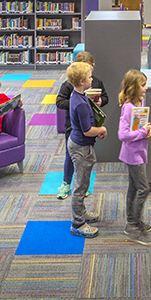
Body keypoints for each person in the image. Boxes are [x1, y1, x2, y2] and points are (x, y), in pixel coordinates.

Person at [54, 51, 107, 199]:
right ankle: (66, 183)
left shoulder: (96, 82)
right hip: (72, 126)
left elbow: (106, 97)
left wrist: (99, 102)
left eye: (89, 71)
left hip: (90, 124)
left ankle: (83, 184)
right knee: (69, 156)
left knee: (84, 160)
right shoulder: (68, 86)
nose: (88, 75)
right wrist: (77, 104)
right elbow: (59, 102)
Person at [67, 61, 105, 238]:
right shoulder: (80, 103)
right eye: (90, 77)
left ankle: (81, 213)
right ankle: (78, 223)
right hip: (81, 146)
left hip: (81, 144)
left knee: (83, 182)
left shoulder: (78, 95)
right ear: (82, 81)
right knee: (80, 186)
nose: (92, 79)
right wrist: (102, 130)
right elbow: (88, 130)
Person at [117, 69, 151, 246]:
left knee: (133, 187)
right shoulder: (128, 108)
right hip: (133, 155)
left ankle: (132, 221)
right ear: (133, 87)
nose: (146, 88)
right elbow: (123, 135)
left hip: (139, 152)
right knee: (143, 188)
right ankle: (133, 227)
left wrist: (149, 130)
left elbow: (143, 124)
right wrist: (141, 132)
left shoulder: (139, 102)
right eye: (143, 85)